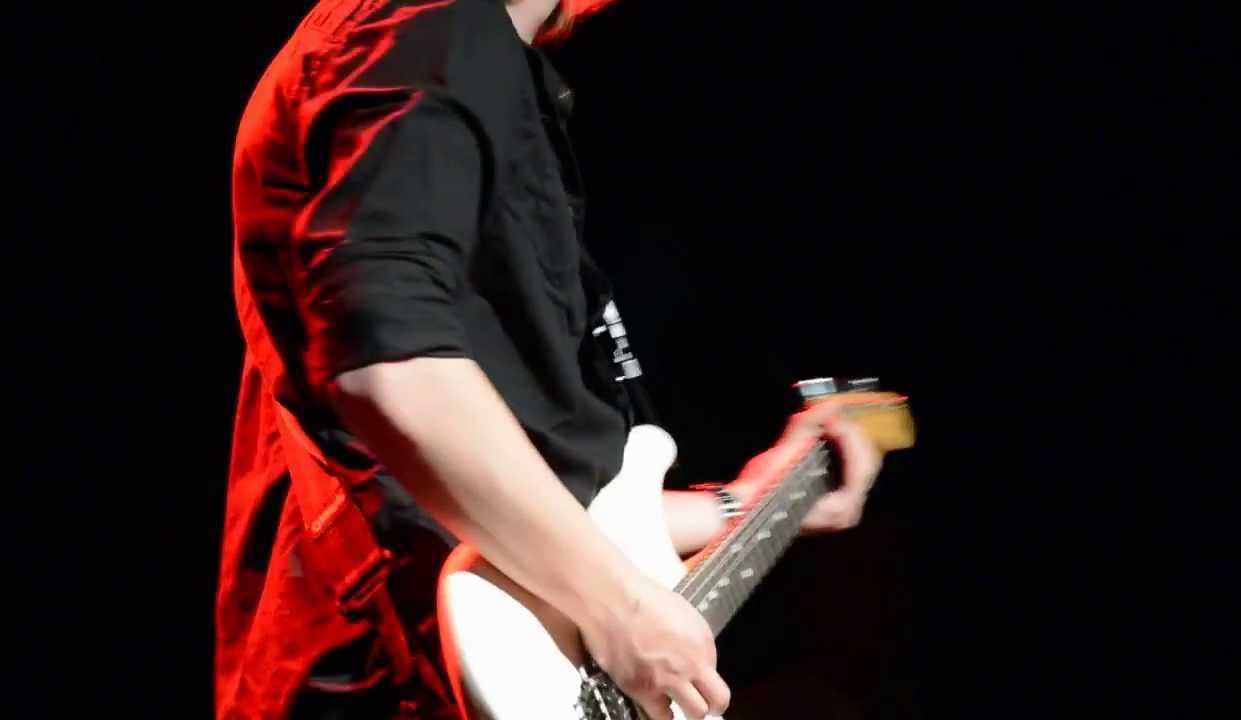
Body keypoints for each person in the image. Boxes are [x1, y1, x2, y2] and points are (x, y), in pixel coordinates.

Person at [217, 1, 885, 718]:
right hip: (401, 679)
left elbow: (511, 505)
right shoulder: (423, 31)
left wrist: (748, 505)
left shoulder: (462, 53)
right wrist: (620, 607)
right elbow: (394, 366)